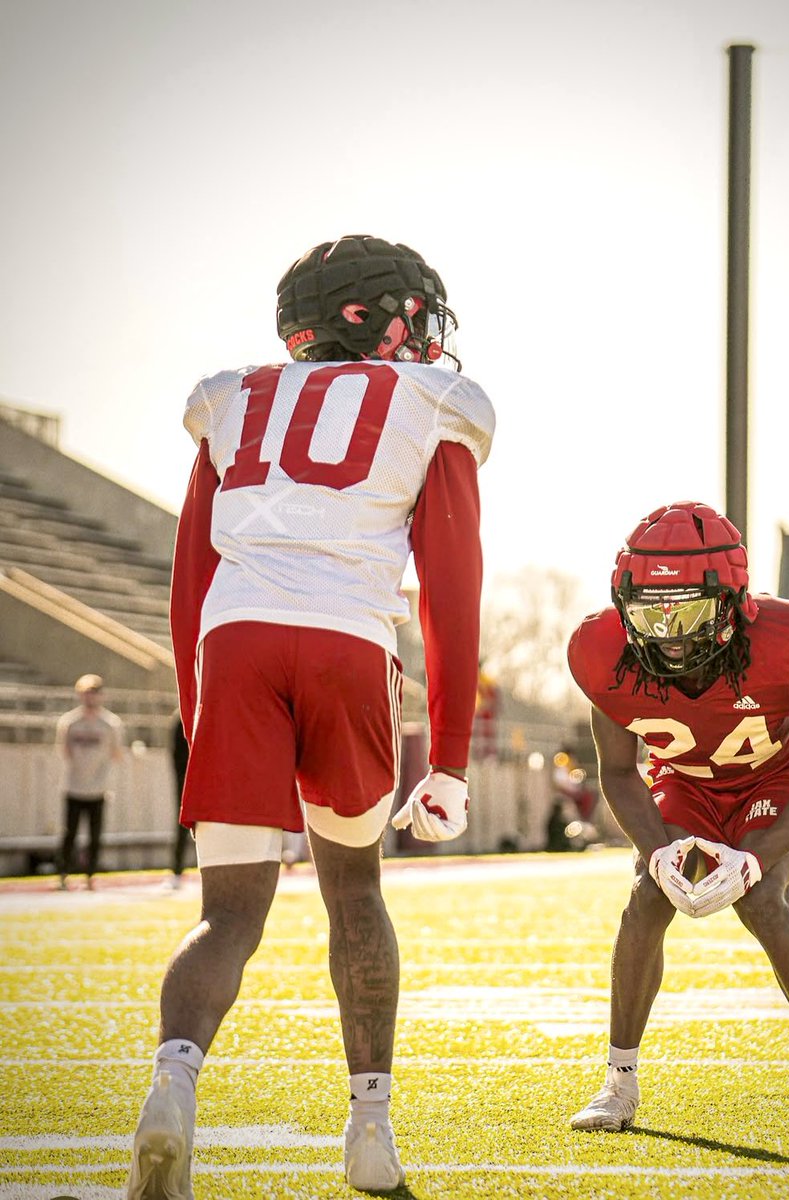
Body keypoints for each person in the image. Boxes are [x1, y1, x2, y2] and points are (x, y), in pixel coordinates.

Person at [127, 235, 495, 1198]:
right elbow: (451, 588)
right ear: (367, 317)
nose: (424, 334)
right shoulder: (432, 401)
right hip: (347, 644)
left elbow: (190, 578)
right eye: (410, 315)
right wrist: (449, 760)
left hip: (235, 644)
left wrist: (199, 710)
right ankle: (369, 1129)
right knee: (355, 893)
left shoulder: (232, 397)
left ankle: (172, 1085)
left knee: (226, 917)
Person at [565, 502, 789, 1137]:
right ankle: (618, 1083)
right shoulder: (606, 655)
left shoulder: (786, 646)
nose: (667, 633)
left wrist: (757, 857)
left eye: (685, 612)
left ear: (731, 604)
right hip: (687, 781)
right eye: (649, 613)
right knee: (647, 894)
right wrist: (657, 851)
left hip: (778, 778)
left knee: (762, 901)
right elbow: (620, 773)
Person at [55, 674, 124, 891]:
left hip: (99, 788)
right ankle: (63, 874)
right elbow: (64, 751)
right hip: (74, 787)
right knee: (69, 833)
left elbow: (117, 753)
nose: (90, 698)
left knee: (95, 836)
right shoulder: (70, 722)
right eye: (86, 693)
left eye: (94, 693)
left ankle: (90, 876)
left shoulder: (110, 724)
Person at [167, 715, 191, 889]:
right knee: (182, 827)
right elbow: (176, 756)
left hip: (207, 781)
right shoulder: (180, 720)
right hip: (186, 782)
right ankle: (177, 870)